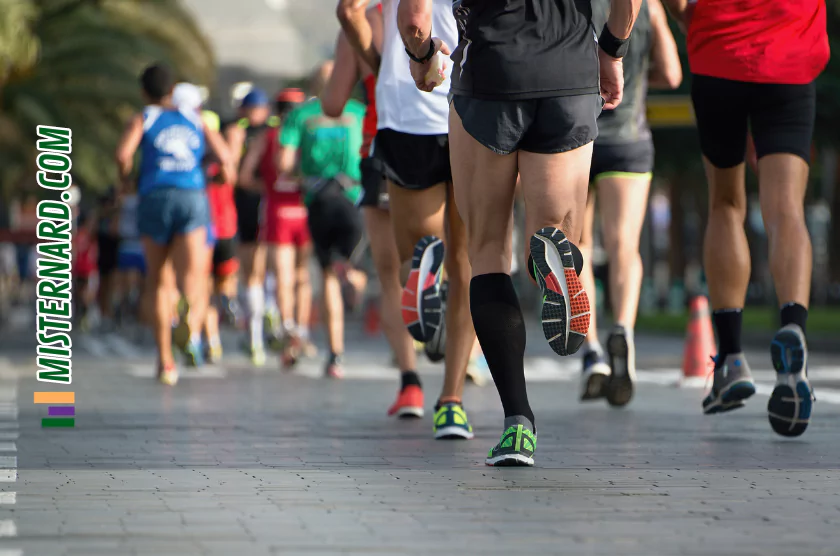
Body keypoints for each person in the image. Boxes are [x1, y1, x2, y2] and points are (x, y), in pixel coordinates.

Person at [398, 0, 643, 464]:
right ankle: (550, 261)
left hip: (489, 74)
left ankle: (518, 424)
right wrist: (611, 50)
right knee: (552, 232)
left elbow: (414, 16)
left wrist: (422, 54)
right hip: (570, 72)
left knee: (487, 249)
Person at [662, 0, 828, 437]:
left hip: (719, 53)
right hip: (791, 53)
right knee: (786, 209)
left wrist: (685, 17)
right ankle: (793, 326)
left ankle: (732, 359)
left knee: (725, 204)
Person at [338, 0, 477, 439]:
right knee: (471, 262)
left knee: (409, 257)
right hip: (476, 109)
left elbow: (355, 17)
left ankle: (422, 277)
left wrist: (380, 62)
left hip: (404, 117)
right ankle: (452, 402)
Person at [577, 0, 682, 407]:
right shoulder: (649, 6)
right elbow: (673, 74)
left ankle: (592, 352)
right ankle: (623, 327)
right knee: (624, 246)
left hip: (578, 134)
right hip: (630, 139)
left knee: (579, 246)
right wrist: (636, 80)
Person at [324, 5, 425, 417]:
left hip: (380, 146)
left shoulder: (362, 17)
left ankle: (411, 385)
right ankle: (459, 371)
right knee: (459, 256)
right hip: (445, 140)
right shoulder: (445, 7)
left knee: (389, 276)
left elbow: (332, 103)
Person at [115, 64, 234, 386]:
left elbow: (123, 154)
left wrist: (125, 181)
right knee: (193, 278)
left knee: (158, 280)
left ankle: (165, 362)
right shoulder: (195, 118)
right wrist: (220, 176)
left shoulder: (145, 117)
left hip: (155, 196)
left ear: (144, 92)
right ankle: (189, 320)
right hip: (192, 196)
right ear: (172, 90)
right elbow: (224, 157)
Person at [277, 62, 367, 378]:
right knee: (352, 264)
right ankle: (355, 278)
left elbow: (284, 163)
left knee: (327, 275)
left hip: (319, 202)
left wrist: (304, 175)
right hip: (354, 200)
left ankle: (335, 357)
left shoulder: (300, 116)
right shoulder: (360, 112)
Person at [239, 88, 313, 366]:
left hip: (277, 211)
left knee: (281, 277)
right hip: (305, 210)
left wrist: (270, 187)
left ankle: (288, 328)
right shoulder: (308, 136)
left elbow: (244, 177)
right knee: (302, 275)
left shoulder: (266, 137)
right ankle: (301, 332)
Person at [224, 88, 275, 365]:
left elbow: (235, 174)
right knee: (273, 267)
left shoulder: (237, 131)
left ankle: (255, 335)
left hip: (248, 202)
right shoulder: (275, 131)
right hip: (273, 203)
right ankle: (273, 314)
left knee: (250, 271)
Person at [114, 182, 146, 326]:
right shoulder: (146, 199)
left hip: (128, 244)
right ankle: (134, 310)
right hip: (140, 245)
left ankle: (124, 305)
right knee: (142, 286)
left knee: (125, 283)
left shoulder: (124, 201)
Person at [95, 187, 120, 326]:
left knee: (112, 284)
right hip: (103, 252)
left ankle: (109, 313)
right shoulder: (100, 218)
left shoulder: (115, 216)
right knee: (103, 285)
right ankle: (103, 312)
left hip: (113, 251)